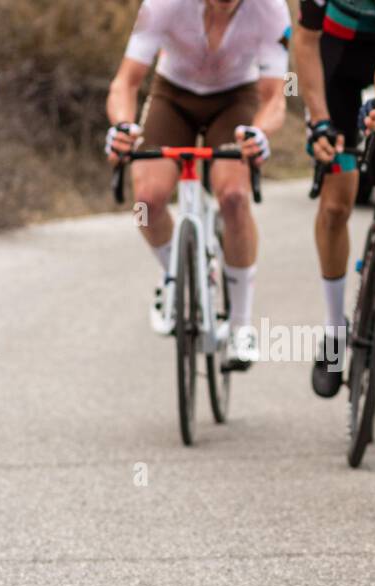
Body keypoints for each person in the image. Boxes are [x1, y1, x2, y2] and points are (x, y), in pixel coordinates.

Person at [105, 0, 291, 367]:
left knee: (235, 197)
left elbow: (274, 99)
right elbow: (125, 82)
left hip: (235, 99)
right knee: (147, 201)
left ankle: (240, 325)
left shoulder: (270, 8)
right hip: (173, 95)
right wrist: (123, 126)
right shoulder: (165, 4)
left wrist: (259, 132)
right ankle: (175, 272)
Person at [294, 0, 375, 398]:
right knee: (335, 202)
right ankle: (334, 331)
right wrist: (320, 121)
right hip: (339, 54)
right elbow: (306, 42)